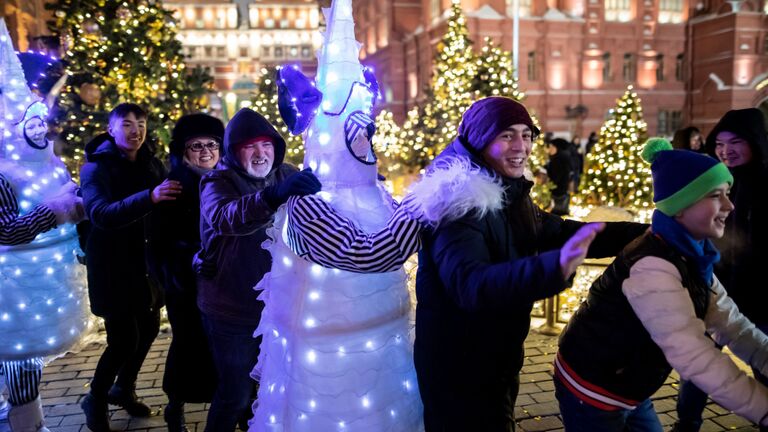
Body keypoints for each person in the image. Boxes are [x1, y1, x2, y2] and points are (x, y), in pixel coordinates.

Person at [412, 96, 648, 431]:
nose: (520, 146)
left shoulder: (509, 192)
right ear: (480, 140)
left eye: (527, 134)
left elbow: (562, 231)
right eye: (506, 135)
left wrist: (650, 233)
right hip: (459, 366)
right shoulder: (458, 201)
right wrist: (553, 267)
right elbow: (470, 284)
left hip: (497, 356)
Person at [556, 137, 768, 432]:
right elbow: (694, 354)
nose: (729, 205)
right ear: (680, 207)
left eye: (727, 193)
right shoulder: (652, 266)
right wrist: (763, 409)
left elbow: (731, 323)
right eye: (715, 195)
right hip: (593, 389)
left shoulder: (694, 254)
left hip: (630, 384)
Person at [197, 108, 320, 431]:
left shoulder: (287, 173)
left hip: (281, 307)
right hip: (233, 310)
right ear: (234, 151)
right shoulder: (216, 181)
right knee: (234, 394)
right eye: (250, 146)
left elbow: (320, 207)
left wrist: (353, 183)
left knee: (274, 390)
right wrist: (271, 197)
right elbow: (226, 217)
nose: (260, 153)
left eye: (266, 145)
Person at [79, 103, 180, 432]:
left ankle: (123, 388)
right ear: (111, 129)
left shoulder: (152, 162)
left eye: (141, 123)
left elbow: (170, 201)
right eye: (127, 124)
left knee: (149, 329)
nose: (136, 130)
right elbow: (101, 214)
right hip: (112, 267)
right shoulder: (96, 168)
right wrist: (150, 197)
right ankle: (94, 397)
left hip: (146, 263)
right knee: (124, 339)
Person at [671, 108, 768, 432]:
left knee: (763, 361)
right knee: (700, 364)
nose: (726, 150)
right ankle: (687, 423)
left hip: (760, 294)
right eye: (721, 143)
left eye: (736, 142)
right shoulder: (712, 180)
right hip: (716, 290)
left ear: (755, 142)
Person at [0, 122, 85, 432]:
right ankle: (28, 425)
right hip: (10, 287)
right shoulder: (3, 174)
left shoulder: (47, 165)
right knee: (20, 359)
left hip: (38, 282)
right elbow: (7, 231)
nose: (39, 130)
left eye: (41, 122)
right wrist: (54, 210)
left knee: (23, 358)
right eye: (29, 123)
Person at [154, 113, 223, 431]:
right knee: (188, 344)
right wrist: (186, 263)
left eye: (212, 144)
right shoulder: (174, 188)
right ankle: (175, 406)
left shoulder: (229, 182)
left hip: (224, 284)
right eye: (197, 146)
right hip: (186, 284)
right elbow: (161, 242)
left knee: (224, 348)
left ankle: (231, 407)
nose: (206, 151)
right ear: (183, 151)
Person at [547, 137, 573, 216]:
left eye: (551, 147)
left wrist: (549, 185)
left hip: (558, 191)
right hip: (562, 189)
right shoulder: (563, 157)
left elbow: (556, 177)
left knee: (557, 214)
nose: (549, 149)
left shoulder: (557, 159)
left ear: (557, 148)